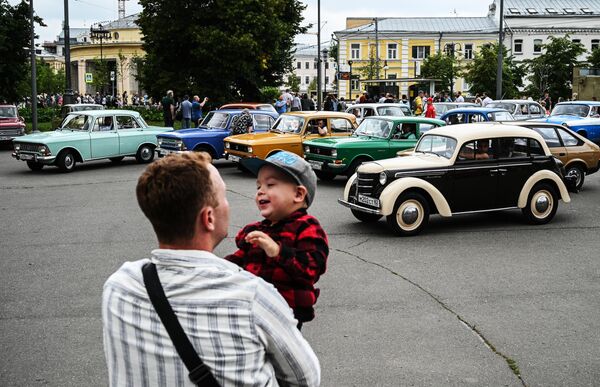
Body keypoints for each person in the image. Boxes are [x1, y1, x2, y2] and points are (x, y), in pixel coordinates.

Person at [102, 152, 320, 386]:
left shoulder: (118, 287)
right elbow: (305, 379)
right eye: (224, 196)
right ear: (209, 218)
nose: (258, 192)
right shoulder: (253, 297)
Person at [226, 151, 328, 330]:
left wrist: (278, 252)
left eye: (270, 184)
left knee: (279, 356)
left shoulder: (307, 227)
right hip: (252, 309)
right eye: (258, 186)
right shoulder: (260, 230)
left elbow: (311, 269)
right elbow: (240, 259)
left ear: (298, 194)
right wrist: (217, 267)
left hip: (286, 314)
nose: (260, 191)